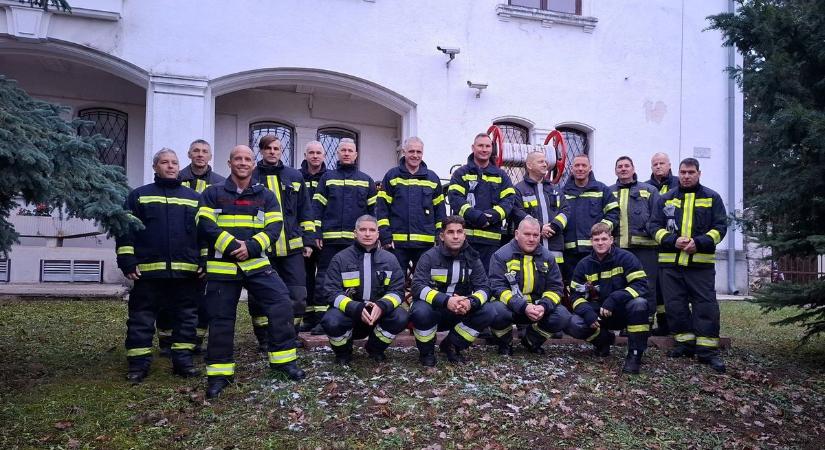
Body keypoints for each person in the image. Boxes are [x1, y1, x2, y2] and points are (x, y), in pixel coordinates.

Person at [197, 145, 305, 399]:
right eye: (238, 159)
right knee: (221, 318)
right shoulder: (213, 193)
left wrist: (252, 247)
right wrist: (234, 247)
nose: (243, 163)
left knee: (281, 303)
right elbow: (204, 226)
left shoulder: (266, 196)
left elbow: (274, 226)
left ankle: (283, 362)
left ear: (253, 165)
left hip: (256, 264)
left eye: (247, 159)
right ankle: (219, 374)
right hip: (223, 266)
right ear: (230, 162)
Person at [115, 148, 200, 383]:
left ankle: (183, 360)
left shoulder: (193, 198)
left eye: (174, 162)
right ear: (155, 167)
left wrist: (203, 262)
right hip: (148, 273)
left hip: (186, 272)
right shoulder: (139, 196)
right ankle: (138, 364)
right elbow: (125, 232)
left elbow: (204, 234)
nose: (171, 166)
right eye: (165, 162)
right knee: (141, 319)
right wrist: (127, 261)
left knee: (186, 318)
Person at [648, 158, 728, 373]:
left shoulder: (712, 197)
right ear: (678, 173)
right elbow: (653, 226)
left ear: (699, 174)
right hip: (670, 264)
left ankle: (708, 351)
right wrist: (671, 240)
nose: (686, 175)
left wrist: (699, 243)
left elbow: (720, 227)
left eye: (691, 172)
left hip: (699, 264)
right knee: (675, 305)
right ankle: (685, 344)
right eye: (683, 172)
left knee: (705, 305)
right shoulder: (665, 199)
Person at [156, 138, 225, 356]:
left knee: (203, 298)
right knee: (168, 297)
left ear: (210, 156)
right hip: (177, 245)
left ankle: (196, 339)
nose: (200, 154)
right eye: (196, 150)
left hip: (208, 247)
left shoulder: (220, 183)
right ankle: (167, 340)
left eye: (205, 151)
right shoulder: (177, 178)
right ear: (189, 154)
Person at [251, 135, 316, 348]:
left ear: (281, 151)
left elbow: (305, 210)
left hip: (292, 248)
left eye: (276, 148)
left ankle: (291, 334)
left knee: (298, 294)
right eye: (268, 148)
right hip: (262, 249)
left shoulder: (294, 176)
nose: (272, 151)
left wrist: (308, 241)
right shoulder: (251, 176)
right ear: (261, 151)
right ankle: (265, 338)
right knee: (261, 295)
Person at [320, 215, 407, 364]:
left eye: (372, 230)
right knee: (331, 321)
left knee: (401, 316)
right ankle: (343, 353)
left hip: (378, 315)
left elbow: (398, 290)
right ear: (355, 233)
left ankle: (375, 349)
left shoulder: (390, 259)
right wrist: (355, 308)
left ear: (378, 234)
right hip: (349, 314)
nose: (367, 234)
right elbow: (331, 292)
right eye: (363, 230)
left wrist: (382, 305)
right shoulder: (340, 259)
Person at [565, 223, 651, 374]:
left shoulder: (626, 258)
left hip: (624, 311)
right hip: (600, 314)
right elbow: (575, 295)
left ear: (611, 239)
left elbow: (641, 285)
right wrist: (587, 313)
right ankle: (604, 341)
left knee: (639, 304)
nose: (600, 243)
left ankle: (635, 355)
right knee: (574, 323)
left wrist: (615, 298)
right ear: (591, 241)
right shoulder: (584, 265)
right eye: (596, 239)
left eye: (604, 239)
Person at [312, 139, 378, 333]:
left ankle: (357, 317)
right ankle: (323, 320)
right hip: (330, 240)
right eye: (343, 150)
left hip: (356, 242)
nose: (347, 153)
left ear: (356, 154)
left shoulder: (366, 180)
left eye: (350, 150)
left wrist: (374, 237)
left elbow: (374, 212)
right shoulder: (327, 178)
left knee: (357, 280)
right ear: (337, 153)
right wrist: (316, 232)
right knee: (325, 279)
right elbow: (317, 208)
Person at [409, 215, 493, 366]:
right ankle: (426, 351)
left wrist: (470, 302)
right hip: (434, 310)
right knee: (419, 311)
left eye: (459, 232)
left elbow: (484, 288)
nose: (456, 236)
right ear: (442, 236)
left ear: (464, 234)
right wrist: (446, 301)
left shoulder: (473, 258)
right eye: (450, 232)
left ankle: (452, 345)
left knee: (489, 310)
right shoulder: (429, 256)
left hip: (460, 311)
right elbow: (417, 287)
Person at [488, 217, 570, 356]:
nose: (531, 239)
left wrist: (543, 306)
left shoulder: (548, 257)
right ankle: (505, 342)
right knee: (496, 310)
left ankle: (531, 341)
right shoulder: (501, 255)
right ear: (516, 234)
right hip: (510, 307)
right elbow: (497, 287)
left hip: (537, 308)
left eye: (535, 235)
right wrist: (523, 306)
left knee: (561, 314)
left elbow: (556, 288)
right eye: (527, 234)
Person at [377, 136, 446, 275]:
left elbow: (440, 213)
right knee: (394, 283)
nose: (415, 155)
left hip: (425, 245)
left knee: (425, 283)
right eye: (411, 151)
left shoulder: (432, 179)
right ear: (404, 152)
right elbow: (382, 209)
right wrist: (385, 236)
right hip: (396, 244)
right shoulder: (392, 176)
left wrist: (439, 238)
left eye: (418, 152)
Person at [447, 133, 516, 270]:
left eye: (487, 146)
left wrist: (493, 216)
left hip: (491, 241)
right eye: (480, 146)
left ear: (492, 149)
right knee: (463, 279)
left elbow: (509, 200)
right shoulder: (461, 173)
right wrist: (475, 216)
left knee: (487, 280)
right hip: (465, 240)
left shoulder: (501, 175)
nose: (484, 150)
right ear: (473, 147)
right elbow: (455, 198)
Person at [609, 156, 662, 333]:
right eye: (620, 166)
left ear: (633, 168)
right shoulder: (609, 192)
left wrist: (648, 229)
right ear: (615, 170)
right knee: (621, 285)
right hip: (618, 249)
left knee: (646, 285)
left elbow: (657, 217)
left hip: (645, 249)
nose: (623, 169)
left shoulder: (650, 190)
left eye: (626, 166)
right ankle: (624, 322)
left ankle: (645, 321)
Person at [561, 154, 619, 284]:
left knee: (598, 288)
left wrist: (601, 231)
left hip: (596, 252)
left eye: (584, 165)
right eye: (577, 165)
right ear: (571, 168)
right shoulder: (563, 192)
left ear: (590, 168)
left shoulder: (602, 189)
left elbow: (613, 213)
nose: (580, 168)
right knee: (574, 288)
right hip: (570, 253)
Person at [511, 151, 569, 265]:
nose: (545, 164)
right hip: (530, 247)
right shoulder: (519, 189)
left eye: (545, 162)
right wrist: (540, 227)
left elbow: (565, 210)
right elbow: (517, 212)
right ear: (529, 165)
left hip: (555, 246)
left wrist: (554, 227)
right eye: (540, 162)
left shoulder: (555, 190)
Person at [645, 152, 679, 332]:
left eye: (662, 163)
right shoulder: (646, 187)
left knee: (671, 286)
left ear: (669, 165)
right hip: (652, 244)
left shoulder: (679, 185)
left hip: (673, 244)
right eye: (655, 163)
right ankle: (657, 322)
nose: (658, 166)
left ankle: (669, 324)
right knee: (655, 285)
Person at [299, 140, 328, 333]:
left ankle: (322, 318)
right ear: (305, 155)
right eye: (311, 152)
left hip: (324, 236)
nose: (315, 156)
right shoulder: (295, 177)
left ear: (324, 156)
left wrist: (320, 232)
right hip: (302, 236)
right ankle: (308, 317)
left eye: (318, 152)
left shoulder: (330, 177)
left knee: (323, 279)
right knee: (305, 278)